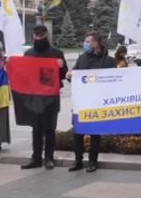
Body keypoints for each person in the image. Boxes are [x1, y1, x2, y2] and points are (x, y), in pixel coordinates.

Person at [21, 24, 68, 170]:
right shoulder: (28, 53)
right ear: (33, 35)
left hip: (51, 97)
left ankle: (49, 158)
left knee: (49, 129)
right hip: (34, 97)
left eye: (41, 34)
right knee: (36, 129)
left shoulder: (56, 53)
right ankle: (36, 158)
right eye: (37, 34)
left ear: (46, 34)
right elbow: (24, 76)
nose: (39, 36)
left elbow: (63, 76)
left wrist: (61, 67)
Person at [67, 31, 115, 172]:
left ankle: (93, 161)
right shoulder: (82, 58)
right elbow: (75, 74)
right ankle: (78, 160)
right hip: (80, 102)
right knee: (78, 132)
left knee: (95, 133)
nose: (85, 44)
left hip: (97, 102)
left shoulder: (108, 61)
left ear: (96, 43)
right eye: (85, 41)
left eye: (88, 41)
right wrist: (70, 75)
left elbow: (114, 81)